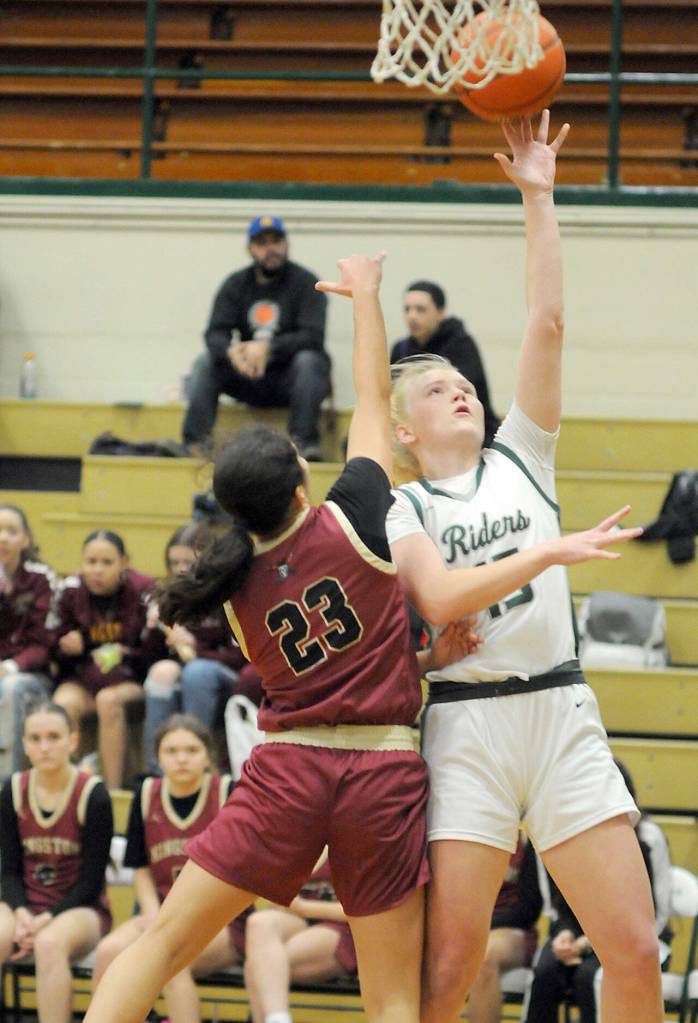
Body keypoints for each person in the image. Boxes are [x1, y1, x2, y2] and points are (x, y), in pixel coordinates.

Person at [83, 247, 439, 1023]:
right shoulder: (355, 515)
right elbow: (377, 400)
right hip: (380, 771)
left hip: (286, 773)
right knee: (391, 997)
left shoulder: (234, 590)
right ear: (304, 482)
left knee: (163, 942)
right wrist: (367, 297)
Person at [386, 112, 663, 1023]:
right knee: (448, 971)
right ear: (403, 428)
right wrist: (544, 551)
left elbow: (546, 320)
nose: (458, 386)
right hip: (467, 729)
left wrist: (538, 193)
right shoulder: (407, 506)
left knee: (631, 950)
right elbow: (435, 598)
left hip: (559, 711)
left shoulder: (522, 457)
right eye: (433, 387)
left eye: (460, 379)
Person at [92, 714, 246, 1022]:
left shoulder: (229, 792)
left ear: (207, 756)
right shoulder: (146, 794)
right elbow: (140, 867)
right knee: (109, 952)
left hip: (222, 921)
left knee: (168, 959)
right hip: (161, 914)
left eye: (191, 750)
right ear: (158, 757)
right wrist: (152, 913)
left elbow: (242, 871)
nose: (182, 759)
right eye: (172, 751)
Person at [525, 760, 672, 1023]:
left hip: (634, 935)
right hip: (577, 932)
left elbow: (656, 915)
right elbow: (560, 902)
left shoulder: (647, 837)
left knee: (591, 977)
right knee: (545, 972)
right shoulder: (562, 833)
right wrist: (566, 934)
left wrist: (588, 943)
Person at [181, 214, 331, 462]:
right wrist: (231, 353)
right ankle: (195, 444)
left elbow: (313, 336)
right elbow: (215, 333)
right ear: (250, 249)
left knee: (310, 361)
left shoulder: (306, 283)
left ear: (286, 244)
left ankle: (304, 445)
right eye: (262, 243)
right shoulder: (235, 284)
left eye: (276, 241)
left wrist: (269, 348)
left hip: (289, 378)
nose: (270, 249)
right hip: (247, 374)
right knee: (205, 362)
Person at [0, 701, 113, 1023]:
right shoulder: (12, 790)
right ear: (24, 744)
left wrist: (43, 920)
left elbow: (91, 882)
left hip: (81, 910)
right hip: (24, 907)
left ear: (72, 741)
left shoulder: (94, 794)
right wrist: (22, 914)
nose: (44, 746)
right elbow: (8, 870)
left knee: (49, 944)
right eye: (35, 739)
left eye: (53, 736)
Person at [51, 530, 152, 790]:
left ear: (124, 562)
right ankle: (67, 791)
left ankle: (112, 793)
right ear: (81, 563)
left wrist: (126, 653)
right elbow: (49, 649)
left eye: (107, 562)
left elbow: (154, 655)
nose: (97, 570)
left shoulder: (143, 590)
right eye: (90, 562)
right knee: (63, 703)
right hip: (82, 678)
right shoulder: (70, 591)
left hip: (128, 680)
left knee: (108, 701)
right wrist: (65, 646)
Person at [142, 523, 246, 773]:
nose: (179, 569)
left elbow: (240, 656)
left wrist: (193, 646)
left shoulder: (228, 594)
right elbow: (144, 659)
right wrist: (155, 630)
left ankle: (198, 764)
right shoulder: (168, 593)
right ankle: (156, 771)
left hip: (225, 676)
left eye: (187, 562)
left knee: (197, 672)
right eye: (173, 562)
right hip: (188, 674)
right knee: (161, 672)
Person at [244, 849, 357, 1023]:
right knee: (260, 922)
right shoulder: (303, 833)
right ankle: (278, 1017)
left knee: (259, 966)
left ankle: (277, 1018)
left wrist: (305, 907)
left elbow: (371, 910)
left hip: (344, 925)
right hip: (300, 916)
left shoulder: (363, 834)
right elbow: (277, 895)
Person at [390, 280, 500, 446]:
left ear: (440, 312)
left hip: (468, 429)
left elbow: (458, 396)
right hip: (419, 429)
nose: (412, 316)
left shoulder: (461, 344)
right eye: (407, 309)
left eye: (420, 309)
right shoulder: (401, 348)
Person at [0, 504, 55, 775]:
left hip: (31, 677)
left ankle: (6, 783)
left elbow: (44, 644)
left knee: (11, 687)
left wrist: (9, 666)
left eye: (11, 531)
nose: (3, 538)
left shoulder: (41, 579)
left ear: (25, 539)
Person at [466, 834, 542, 1023]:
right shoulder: (459, 841)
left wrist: (481, 926)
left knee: (483, 958)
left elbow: (530, 908)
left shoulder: (527, 844)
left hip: (511, 928)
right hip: (463, 928)